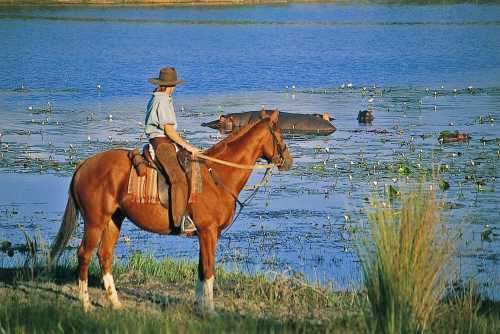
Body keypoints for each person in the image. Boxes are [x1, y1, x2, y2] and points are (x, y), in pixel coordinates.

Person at [145, 67, 198, 233]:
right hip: (161, 143)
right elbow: (168, 130)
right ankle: (180, 220)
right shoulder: (161, 100)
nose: (175, 88)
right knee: (178, 178)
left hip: (167, 142)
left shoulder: (163, 98)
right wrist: (187, 145)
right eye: (174, 85)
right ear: (171, 85)